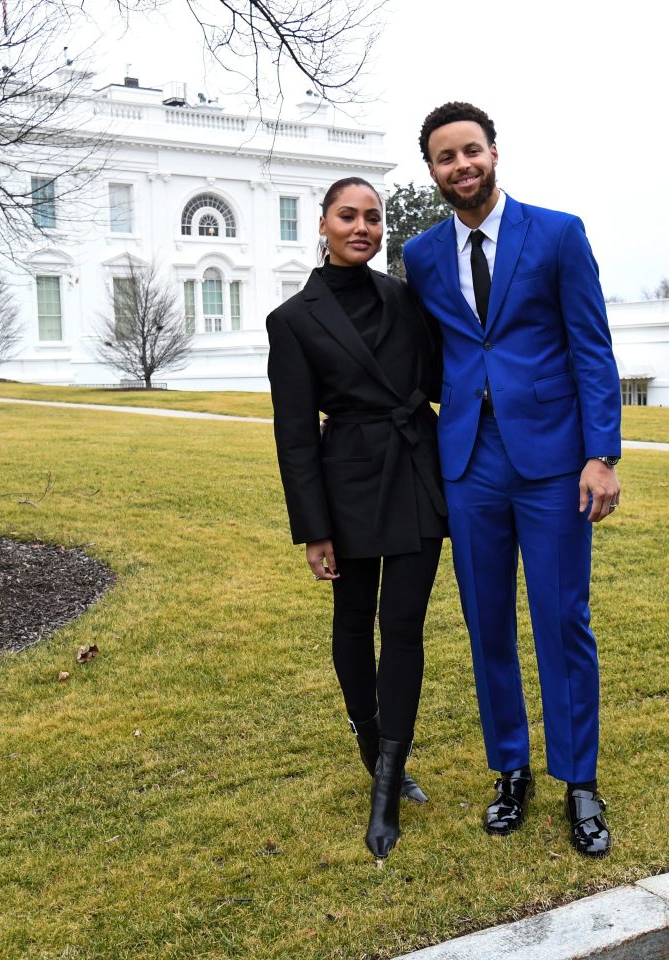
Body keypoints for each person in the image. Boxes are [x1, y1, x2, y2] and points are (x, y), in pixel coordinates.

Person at [403, 102, 621, 858]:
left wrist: (602, 455)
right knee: (486, 621)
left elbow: (591, 347)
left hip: (556, 460)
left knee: (563, 619)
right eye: (444, 157)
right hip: (468, 461)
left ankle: (579, 781)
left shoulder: (558, 234)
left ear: (494, 153)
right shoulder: (422, 254)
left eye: (471, 151)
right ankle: (511, 771)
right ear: (432, 171)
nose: (461, 166)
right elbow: (420, 350)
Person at [266, 176, 449, 860]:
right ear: (323, 224)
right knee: (353, 622)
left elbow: (438, 378)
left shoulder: (406, 300)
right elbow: (293, 431)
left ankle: (388, 786)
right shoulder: (293, 319)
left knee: (403, 629)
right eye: (349, 216)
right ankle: (373, 749)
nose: (363, 227)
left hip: (413, 472)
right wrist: (314, 529)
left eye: (373, 217)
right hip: (346, 482)